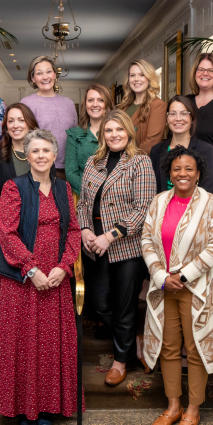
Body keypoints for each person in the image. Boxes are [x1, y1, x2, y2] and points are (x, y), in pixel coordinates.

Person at [0, 129, 82, 425]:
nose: (41, 156)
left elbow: (72, 231)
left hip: (56, 277)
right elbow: (7, 233)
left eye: (47, 150)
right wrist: (32, 270)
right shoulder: (13, 188)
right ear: (26, 155)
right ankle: (22, 408)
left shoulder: (65, 190)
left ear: (55, 155)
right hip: (22, 278)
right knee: (23, 342)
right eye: (35, 151)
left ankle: (48, 407)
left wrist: (64, 266)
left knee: (51, 344)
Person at [140, 147, 213, 425]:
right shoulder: (159, 201)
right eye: (177, 169)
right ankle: (173, 406)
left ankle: (193, 409)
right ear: (170, 173)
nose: (183, 174)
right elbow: (147, 240)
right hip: (164, 284)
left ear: (199, 173)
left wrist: (185, 275)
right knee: (168, 347)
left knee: (195, 348)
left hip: (197, 287)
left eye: (189, 169)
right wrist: (160, 275)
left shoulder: (211, 204)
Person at [77, 110, 156, 386]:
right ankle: (132, 339)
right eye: (109, 131)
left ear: (129, 132)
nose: (114, 135)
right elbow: (83, 203)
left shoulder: (140, 162)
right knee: (98, 303)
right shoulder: (93, 161)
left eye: (119, 130)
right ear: (102, 135)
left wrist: (109, 236)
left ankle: (120, 361)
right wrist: (85, 229)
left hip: (126, 245)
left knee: (124, 306)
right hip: (93, 242)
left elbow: (143, 209)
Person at [0, 104, 46, 306]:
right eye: (11, 121)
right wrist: (3, 217)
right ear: (5, 126)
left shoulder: (40, 152)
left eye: (21, 120)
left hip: (35, 220)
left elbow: (47, 188)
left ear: (30, 124)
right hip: (2, 220)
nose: (16, 125)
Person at [20, 56, 78, 176]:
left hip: (68, 169)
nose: (45, 77)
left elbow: (75, 137)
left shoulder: (69, 104)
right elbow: (22, 139)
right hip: (38, 169)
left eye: (49, 71)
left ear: (55, 75)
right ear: (33, 78)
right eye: (39, 73)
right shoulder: (26, 103)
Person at [149, 95, 213, 194]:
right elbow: (152, 189)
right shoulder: (156, 150)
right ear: (167, 119)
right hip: (162, 208)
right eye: (172, 114)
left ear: (192, 118)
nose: (178, 118)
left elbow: (207, 189)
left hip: (195, 207)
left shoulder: (205, 149)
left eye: (184, 113)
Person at [65, 84, 112, 194]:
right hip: (84, 196)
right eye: (90, 100)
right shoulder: (74, 135)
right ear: (85, 104)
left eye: (100, 100)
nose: (95, 104)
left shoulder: (121, 132)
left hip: (117, 198)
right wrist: (93, 192)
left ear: (107, 104)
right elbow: (71, 173)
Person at [115, 59, 167, 155]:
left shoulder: (158, 105)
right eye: (132, 75)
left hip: (141, 164)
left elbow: (151, 142)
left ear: (149, 78)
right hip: (119, 161)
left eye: (142, 75)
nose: (136, 79)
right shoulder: (123, 107)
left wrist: (129, 160)